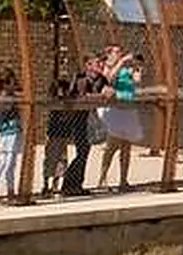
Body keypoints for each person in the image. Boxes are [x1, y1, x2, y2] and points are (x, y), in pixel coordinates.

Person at [97, 44, 142, 192]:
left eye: (120, 51)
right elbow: (109, 79)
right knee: (111, 147)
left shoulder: (127, 70)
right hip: (116, 111)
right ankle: (102, 179)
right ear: (109, 54)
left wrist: (137, 67)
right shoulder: (108, 68)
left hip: (128, 110)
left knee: (126, 148)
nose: (119, 54)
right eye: (116, 52)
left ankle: (123, 181)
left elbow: (137, 81)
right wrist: (121, 61)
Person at [59, 54, 106, 197]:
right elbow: (83, 96)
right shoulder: (81, 79)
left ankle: (76, 184)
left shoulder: (101, 80)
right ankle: (69, 183)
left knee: (84, 152)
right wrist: (99, 96)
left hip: (90, 119)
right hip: (79, 119)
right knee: (82, 152)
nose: (100, 66)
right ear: (88, 66)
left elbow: (108, 91)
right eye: (96, 63)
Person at [0, 68, 21, 203]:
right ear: (5, 84)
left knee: (8, 163)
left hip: (11, 132)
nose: (15, 85)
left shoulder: (9, 97)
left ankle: (9, 190)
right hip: (5, 132)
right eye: (12, 83)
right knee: (2, 163)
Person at [41, 76, 73, 196]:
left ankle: (55, 185)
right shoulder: (53, 101)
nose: (62, 92)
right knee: (50, 159)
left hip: (63, 134)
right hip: (53, 134)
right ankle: (46, 184)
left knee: (62, 160)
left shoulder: (67, 101)